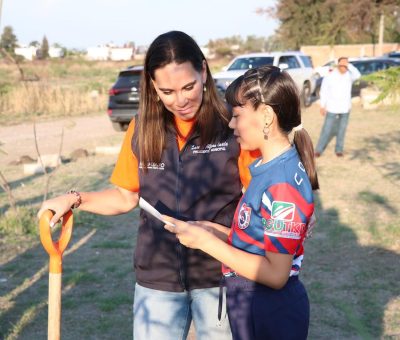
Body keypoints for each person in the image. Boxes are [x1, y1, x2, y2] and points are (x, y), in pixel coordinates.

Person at [38, 31, 259, 340]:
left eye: (189, 86)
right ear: (153, 86)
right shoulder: (142, 128)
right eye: (167, 91)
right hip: (157, 277)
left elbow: (258, 200)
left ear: (204, 72)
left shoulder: (231, 126)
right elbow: (125, 196)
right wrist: (74, 199)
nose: (180, 100)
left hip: (219, 275)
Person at [164, 65, 319, 340]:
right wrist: (212, 230)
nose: (231, 124)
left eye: (237, 115)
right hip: (253, 302)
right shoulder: (266, 168)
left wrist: (206, 243)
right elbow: (257, 240)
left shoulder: (281, 183)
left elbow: (276, 274)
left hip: (268, 309)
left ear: (267, 116)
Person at [315, 57, 361, 157]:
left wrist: (349, 65)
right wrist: (323, 105)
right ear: (338, 65)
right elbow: (324, 91)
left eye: (346, 65)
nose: (344, 67)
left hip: (345, 108)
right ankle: (318, 150)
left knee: (342, 130)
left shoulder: (349, 75)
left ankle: (339, 150)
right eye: (342, 65)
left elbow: (358, 75)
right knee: (326, 129)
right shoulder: (330, 75)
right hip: (332, 107)